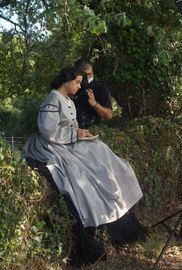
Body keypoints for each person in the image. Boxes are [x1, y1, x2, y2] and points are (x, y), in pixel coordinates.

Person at [22, 66, 143, 229]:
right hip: (52, 143)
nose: (80, 86)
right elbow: (48, 131)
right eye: (77, 82)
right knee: (78, 169)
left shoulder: (68, 101)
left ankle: (118, 196)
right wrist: (75, 135)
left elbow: (70, 125)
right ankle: (99, 207)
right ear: (67, 82)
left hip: (67, 139)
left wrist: (79, 132)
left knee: (101, 150)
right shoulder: (53, 99)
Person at [73, 59, 113, 128]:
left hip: (91, 131)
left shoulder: (99, 86)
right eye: (85, 75)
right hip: (70, 130)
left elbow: (109, 116)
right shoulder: (71, 84)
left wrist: (95, 104)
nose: (88, 78)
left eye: (90, 74)